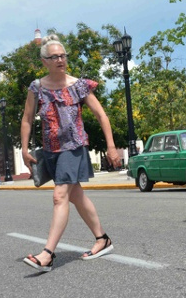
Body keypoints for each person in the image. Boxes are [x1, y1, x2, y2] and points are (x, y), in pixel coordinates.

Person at [20, 34, 122, 272]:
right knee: (76, 196)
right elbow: (26, 119)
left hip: (73, 147)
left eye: (63, 55)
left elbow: (101, 115)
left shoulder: (78, 86)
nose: (60, 60)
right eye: (54, 57)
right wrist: (24, 149)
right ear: (44, 61)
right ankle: (103, 239)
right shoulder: (36, 88)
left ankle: (47, 254)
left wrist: (110, 146)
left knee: (60, 197)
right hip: (51, 150)